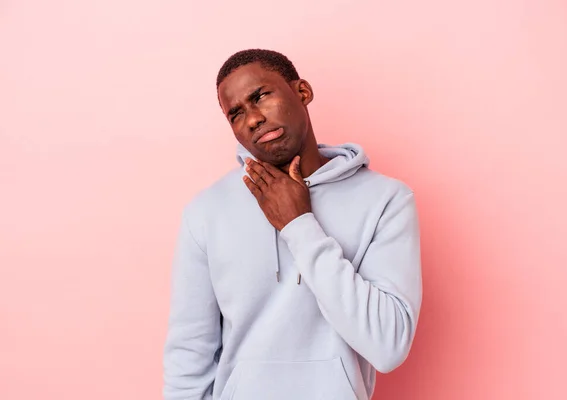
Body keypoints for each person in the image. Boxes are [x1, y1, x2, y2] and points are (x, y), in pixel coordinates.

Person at [163, 49, 422, 400]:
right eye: (236, 114)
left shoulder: (385, 200)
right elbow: (188, 357)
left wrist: (299, 225)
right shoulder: (207, 211)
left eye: (261, 96)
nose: (253, 119)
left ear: (302, 92)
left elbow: (388, 346)